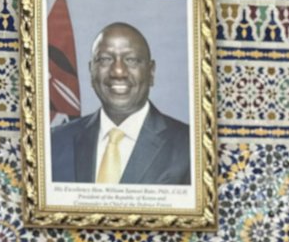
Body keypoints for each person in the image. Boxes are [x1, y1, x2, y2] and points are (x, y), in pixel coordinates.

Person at [50, 22, 191, 185]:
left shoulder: (189, 146)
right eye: (105, 59)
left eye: (131, 60)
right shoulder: (55, 142)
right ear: (91, 71)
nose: (118, 71)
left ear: (151, 72)